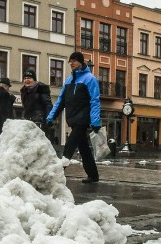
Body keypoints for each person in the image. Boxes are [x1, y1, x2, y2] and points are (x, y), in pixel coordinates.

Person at [46, 52, 101, 184]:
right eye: (70, 61)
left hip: (83, 119)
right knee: (84, 149)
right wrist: (51, 117)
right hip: (72, 118)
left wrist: (95, 121)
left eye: (74, 60)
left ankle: (59, 172)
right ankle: (93, 175)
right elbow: (61, 101)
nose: (71, 63)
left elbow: (95, 101)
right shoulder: (69, 80)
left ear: (81, 62)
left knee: (70, 144)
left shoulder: (90, 79)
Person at [20, 68, 53, 141]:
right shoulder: (24, 91)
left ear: (34, 79)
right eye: (25, 78)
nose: (26, 80)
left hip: (39, 120)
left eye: (29, 78)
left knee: (38, 142)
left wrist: (48, 119)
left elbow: (48, 104)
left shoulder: (41, 88)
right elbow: (25, 107)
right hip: (27, 120)